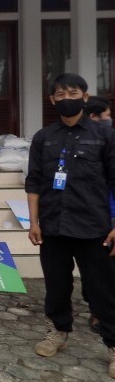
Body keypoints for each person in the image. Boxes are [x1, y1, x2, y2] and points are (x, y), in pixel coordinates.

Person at [26, 73, 115, 378]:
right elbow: (34, 182)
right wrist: (33, 221)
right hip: (53, 226)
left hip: (94, 228)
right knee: (56, 286)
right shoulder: (43, 138)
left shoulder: (104, 135)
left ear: (85, 97)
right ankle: (58, 331)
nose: (66, 99)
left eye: (72, 93)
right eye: (60, 95)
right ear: (52, 100)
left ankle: (114, 345)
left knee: (102, 289)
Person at [82, 95, 114, 333]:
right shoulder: (80, 143)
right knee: (96, 271)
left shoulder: (109, 143)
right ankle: (97, 312)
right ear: (94, 117)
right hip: (96, 217)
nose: (110, 120)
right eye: (107, 115)